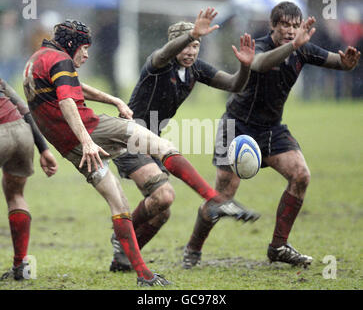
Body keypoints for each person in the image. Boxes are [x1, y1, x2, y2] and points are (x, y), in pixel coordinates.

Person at [22, 19, 256, 286]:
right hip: (94, 132)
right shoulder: (155, 62)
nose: (87, 55)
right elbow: (66, 100)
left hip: (70, 145)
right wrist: (87, 139)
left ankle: (141, 273)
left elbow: (69, 88)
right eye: (84, 48)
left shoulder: (40, 58)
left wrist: (113, 99)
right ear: (72, 44)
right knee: (164, 152)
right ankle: (214, 199)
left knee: (134, 206)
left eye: (196, 44)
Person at [183, 1, 361, 268]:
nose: (290, 31)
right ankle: (193, 249)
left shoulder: (302, 49)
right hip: (237, 125)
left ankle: (278, 246)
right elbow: (260, 64)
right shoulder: (259, 46)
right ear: (273, 26)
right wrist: (293, 45)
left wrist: (346, 64)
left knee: (301, 175)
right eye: (285, 26)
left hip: (272, 129)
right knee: (223, 195)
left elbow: (336, 60)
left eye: (295, 26)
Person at [109, 7, 260, 272]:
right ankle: (122, 234)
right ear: (175, 45)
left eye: (196, 46)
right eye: (187, 46)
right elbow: (163, 53)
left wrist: (245, 67)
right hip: (128, 137)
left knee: (161, 212)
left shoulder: (195, 69)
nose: (191, 51)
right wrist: (191, 33)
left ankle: (124, 261)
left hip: (153, 141)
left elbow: (235, 84)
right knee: (164, 196)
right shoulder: (158, 64)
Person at [0, 78, 58, 280]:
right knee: (15, 195)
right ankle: (20, 265)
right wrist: (44, 149)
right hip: (20, 132)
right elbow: (24, 109)